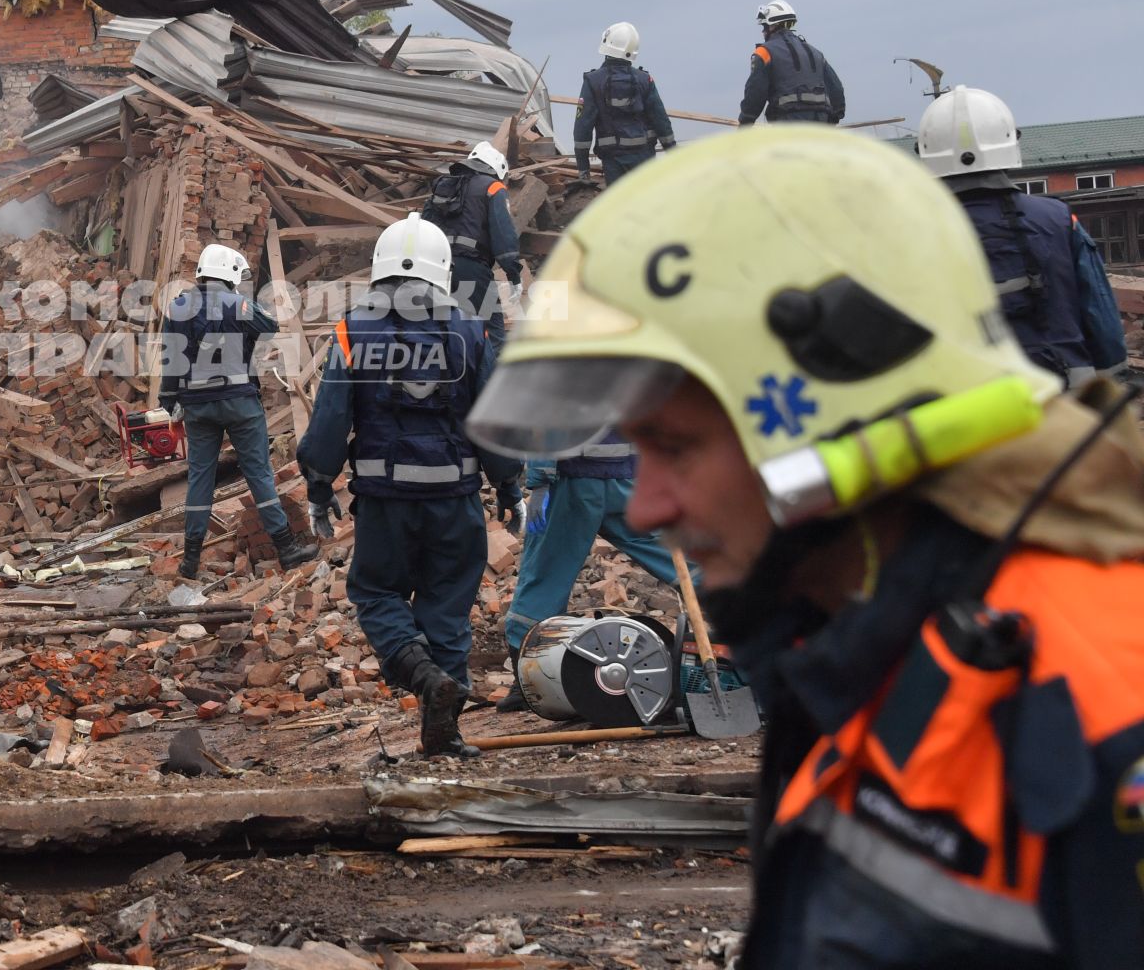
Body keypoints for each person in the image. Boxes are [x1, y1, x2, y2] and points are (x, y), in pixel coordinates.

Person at [467, 125, 1144, 966]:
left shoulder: (1100, 699)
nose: (643, 507)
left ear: (831, 423)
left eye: (675, 447)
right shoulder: (870, 655)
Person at [298, 214, 524, 757]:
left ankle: (422, 677)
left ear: (378, 269)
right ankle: (444, 735)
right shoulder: (471, 329)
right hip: (456, 501)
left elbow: (331, 419)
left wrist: (319, 484)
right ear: (442, 270)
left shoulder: (354, 329)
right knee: (447, 608)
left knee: (376, 592)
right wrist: (510, 486)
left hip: (385, 503)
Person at [916, 85, 1126, 387]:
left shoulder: (915, 232)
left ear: (925, 152)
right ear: (1010, 140)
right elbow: (1100, 312)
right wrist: (1107, 383)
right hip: (1062, 402)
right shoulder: (1059, 219)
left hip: (965, 411)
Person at [158, 244, 317, 582]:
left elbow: (170, 357)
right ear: (230, 272)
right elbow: (270, 327)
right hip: (240, 403)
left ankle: (189, 560)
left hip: (197, 406)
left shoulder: (177, 307)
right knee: (258, 474)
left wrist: (168, 398)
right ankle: (287, 550)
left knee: (200, 478)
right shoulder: (239, 303)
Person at [494, 426, 679, 711]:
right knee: (679, 560)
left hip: (573, 482)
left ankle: (527, 681)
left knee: (544, 576)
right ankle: (742, 629)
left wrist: (540, 481)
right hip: (627, 480)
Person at [419, 140, 521, 353]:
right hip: (471, 268)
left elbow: (424, 225)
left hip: (435, 268)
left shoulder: (444, 185)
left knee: (442, 329)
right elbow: (503, 233)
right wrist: (514, 275)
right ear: (497, 169)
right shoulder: (493, 187)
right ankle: (492, 383)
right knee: (492, 332)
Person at [574, 22, 675, 184]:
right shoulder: (645, 80)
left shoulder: (593, 81)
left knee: (620, 204)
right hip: (645, 159)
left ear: (607, 44)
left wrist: (583, 169)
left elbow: (582, 127)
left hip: (613, 162)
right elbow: (661, 120)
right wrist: (673, 154)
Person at [739, 0, 844, 125]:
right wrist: (835, 117)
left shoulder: (764, 53)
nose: (763, 32)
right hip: (821, 125)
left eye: (764, 27)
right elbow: (836, 88)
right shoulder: (815, 53)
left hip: (789, 125)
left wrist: (745, 121)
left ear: (772, 25)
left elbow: (755, 94)